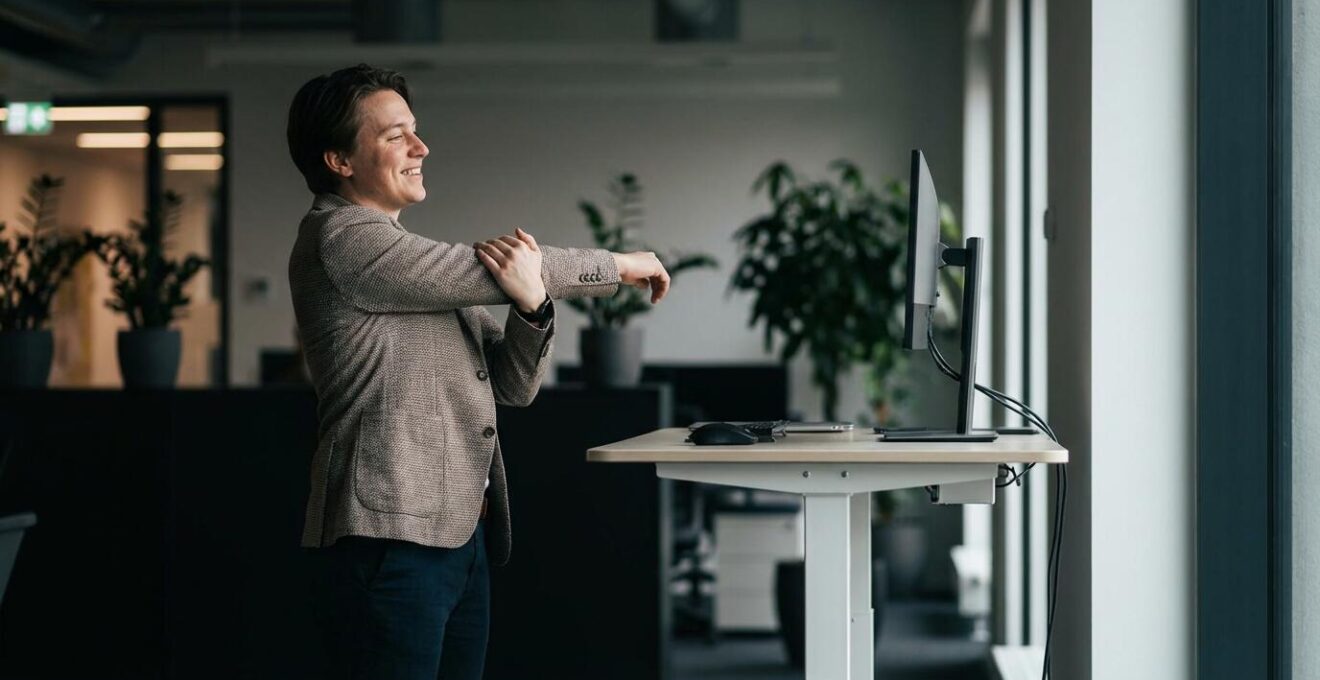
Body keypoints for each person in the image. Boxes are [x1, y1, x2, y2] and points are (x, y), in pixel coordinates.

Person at [285, 63, 671, 680]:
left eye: (415, 130)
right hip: (388, 540)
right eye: (394, 136)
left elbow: (514, 385)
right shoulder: (344, 240)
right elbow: (489, 270)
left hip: (456, 538)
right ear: (339, 160)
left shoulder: (410, 267)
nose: (421, 147)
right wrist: (621, 264)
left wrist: (532, 304)